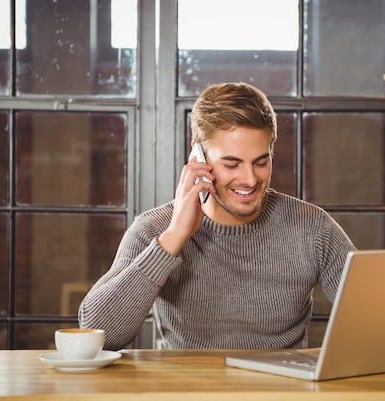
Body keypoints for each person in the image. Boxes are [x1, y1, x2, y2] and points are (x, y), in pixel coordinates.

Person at [78, 82, 356, 350]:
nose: (249, 179)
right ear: (198, 156)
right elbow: (97, 335)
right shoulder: (155, 229)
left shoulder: (311, 228)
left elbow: (377, 319)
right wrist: (174, 238)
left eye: (261, 162)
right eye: (231, 163)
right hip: (192, 392)